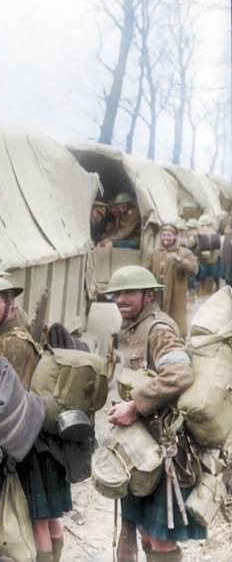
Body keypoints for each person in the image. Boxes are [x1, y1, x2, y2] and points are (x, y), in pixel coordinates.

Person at [104, 265, 204, 562]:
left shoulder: (159, 329)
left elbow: (180, 374)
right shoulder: (131, 326)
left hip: (164, 447)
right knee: (143, 530)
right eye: (117, 294)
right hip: (138, 446)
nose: (121, 299)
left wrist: (135, 405)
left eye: (128, 293)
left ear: (148, 295)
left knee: (160, 539)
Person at [0, 277, 69, 562]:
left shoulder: (13, 343)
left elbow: (6, 399)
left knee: (38, 516)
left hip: (26, 438)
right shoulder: (6, 336)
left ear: (10, 304)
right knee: (48, 514)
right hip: (37, 435)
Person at [144, 224, 198, 336]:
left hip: (176, 293)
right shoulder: (154, 253)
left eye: (169, 235)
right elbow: (145, 270)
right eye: (163, 235)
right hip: (157, 293)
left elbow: (194, 270)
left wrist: (180, 261)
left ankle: (178, 340)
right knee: (156, 317)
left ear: (175, 237)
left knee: (176, 319)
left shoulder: (184, 252)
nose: (166, 238)